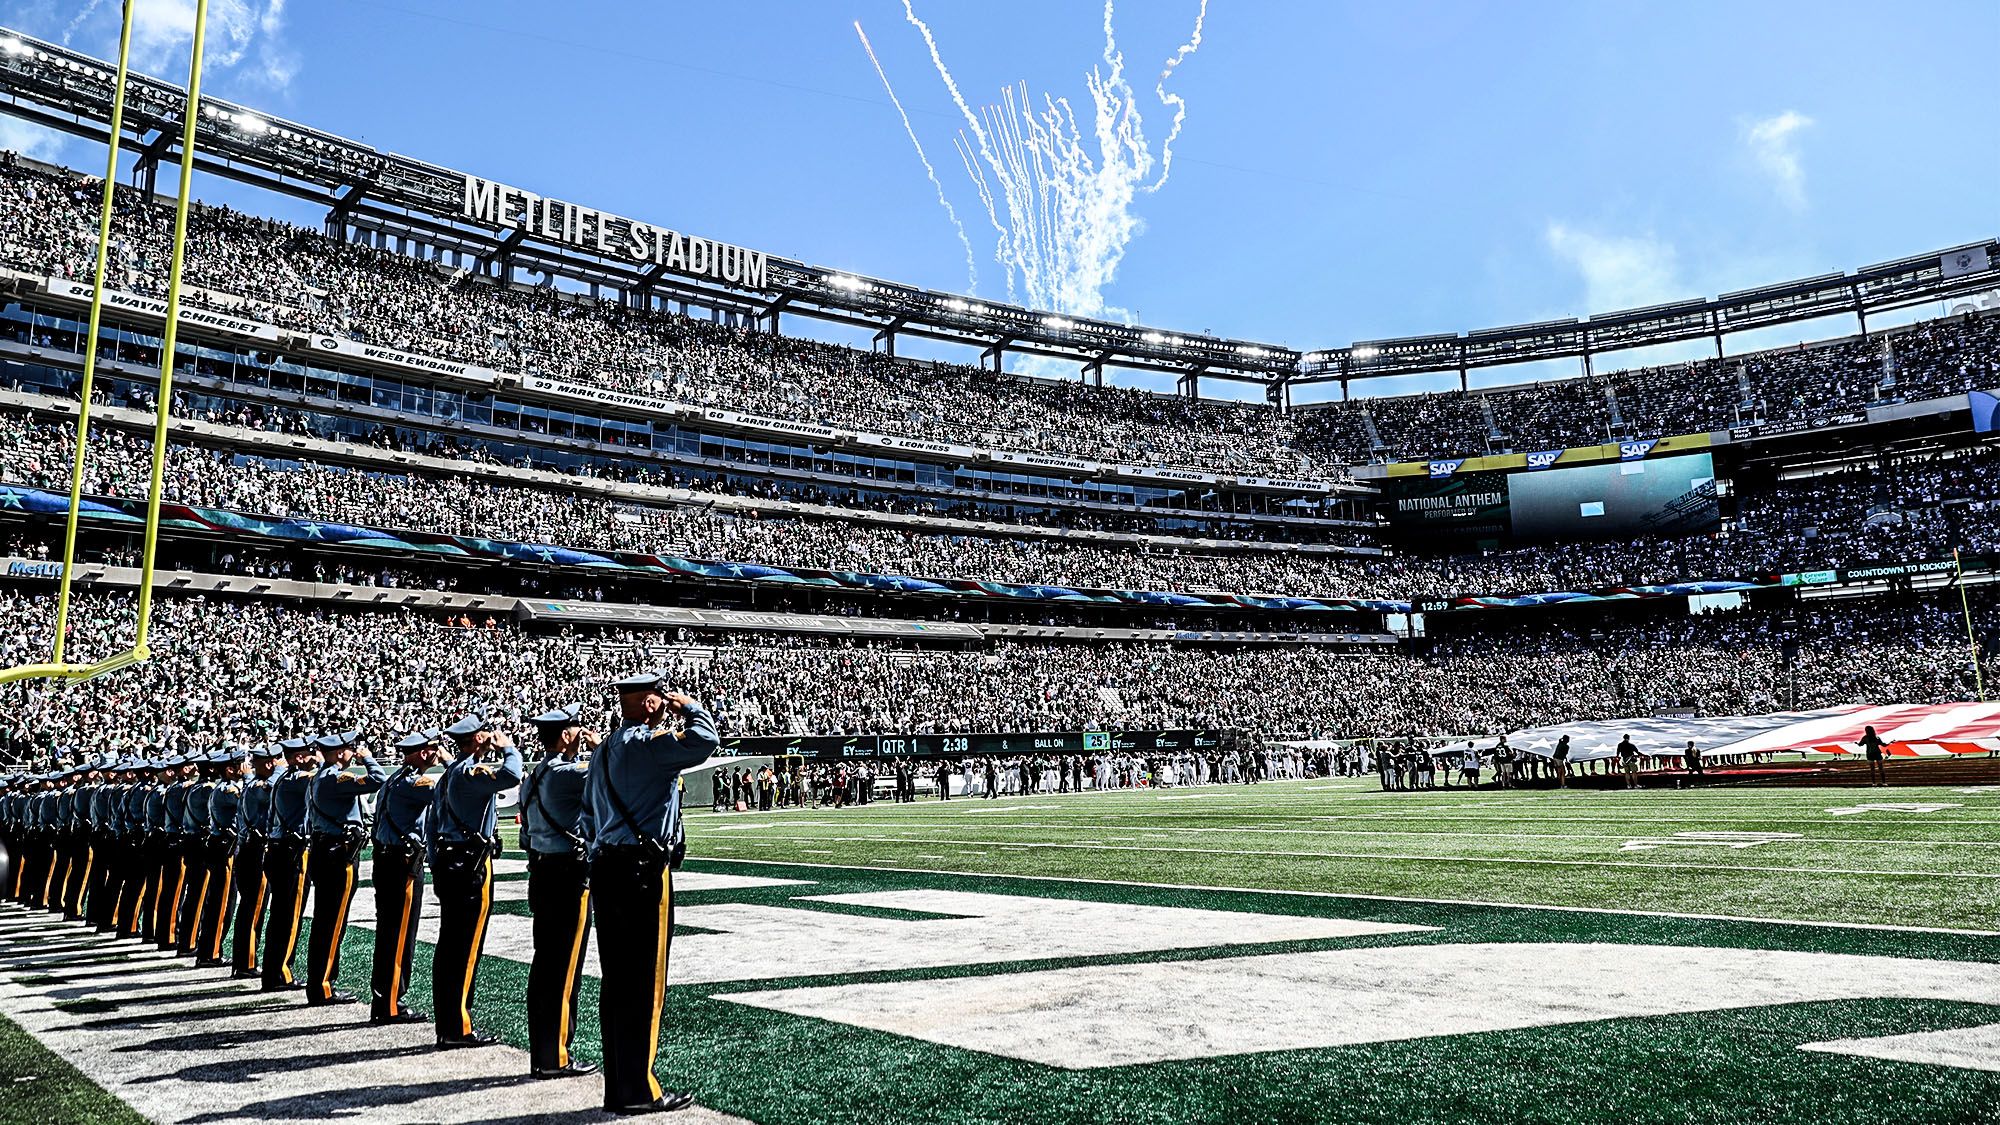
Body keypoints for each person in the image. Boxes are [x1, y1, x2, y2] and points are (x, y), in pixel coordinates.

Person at [578, 671, 718, 1116]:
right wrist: (690, 706)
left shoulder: (603, 750)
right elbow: (705, 739)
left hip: (606, 865)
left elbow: (585, 816)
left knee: (616, 981)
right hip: (640, 870)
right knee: (643, 982)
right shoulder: (646, 746)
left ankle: (618, 1085)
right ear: (653, 703)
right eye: (661, 695)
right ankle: (639, 1088)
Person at [428, 713, 523, 1049]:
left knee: (450, 944)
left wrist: (434, 861)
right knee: (464, 948)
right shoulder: (470, 771)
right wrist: (510, 748)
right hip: (469, 865)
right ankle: (457, 1027)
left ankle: (448, 1023)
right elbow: (512, 775)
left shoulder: (451, 773)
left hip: (450, 862)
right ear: (478, 738)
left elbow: (431, 824)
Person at [520, 703, 599, 1078]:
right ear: (565, 734)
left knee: (546, 962)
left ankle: (544, 1052)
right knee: (565, 966)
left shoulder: (533, 775)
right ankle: (555, 1056)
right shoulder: (567, 773)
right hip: (567, 873)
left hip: (542, 870)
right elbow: (610, 772)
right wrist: (598, 746)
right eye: (576, 728)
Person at [304, 730, 385, 1005]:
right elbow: (378, 780)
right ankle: (322, 985)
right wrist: (369, 759)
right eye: (351, 749)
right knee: (332, 921)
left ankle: (319, 983)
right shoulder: (336, 777)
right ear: (340, 752)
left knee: (325, 919)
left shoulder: (319, 777)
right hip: (337, 854)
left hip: (325, 849)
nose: (354, 752)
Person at [370, 728, 440, 1026]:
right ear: (423, 752)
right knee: (400, 934)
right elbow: (455, 787)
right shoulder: (414, 782)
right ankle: (390, 1004)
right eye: (435, 748)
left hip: (388, 860)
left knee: (389, 932)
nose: (438, 753)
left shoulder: (395, 779)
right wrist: (454, 760)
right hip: (402, 863)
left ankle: (383, 1000)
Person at [261, 737, 318, 993]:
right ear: (298, 758)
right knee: (289, 916)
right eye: (309, 753)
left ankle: (273, 970)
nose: (313, 756)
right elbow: (322, 779)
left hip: (278, 848)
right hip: (290, 851)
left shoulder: (282, 778)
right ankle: (280, 972)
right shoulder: (297, 779)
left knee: (281, 914)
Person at [229, 744, 281, 979]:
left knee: (250, 906)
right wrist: (280, 770)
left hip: (248, 850)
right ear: (269, 763)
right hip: (255, 851)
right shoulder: (261, 786)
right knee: (254, 907)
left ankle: (243, 961)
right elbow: (275, 788)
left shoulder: (251, 783)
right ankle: (245, 962)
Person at [195, 747, 248, 968]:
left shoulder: (224, 788)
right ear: (230, 769)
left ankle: (210, 950)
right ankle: (209, 952)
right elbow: (248, 800)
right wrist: (250, 777)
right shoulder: (228, 790)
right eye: (241, 765)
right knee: (221, 903)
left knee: (224, 901)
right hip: (225, 849)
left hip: (224, 847)